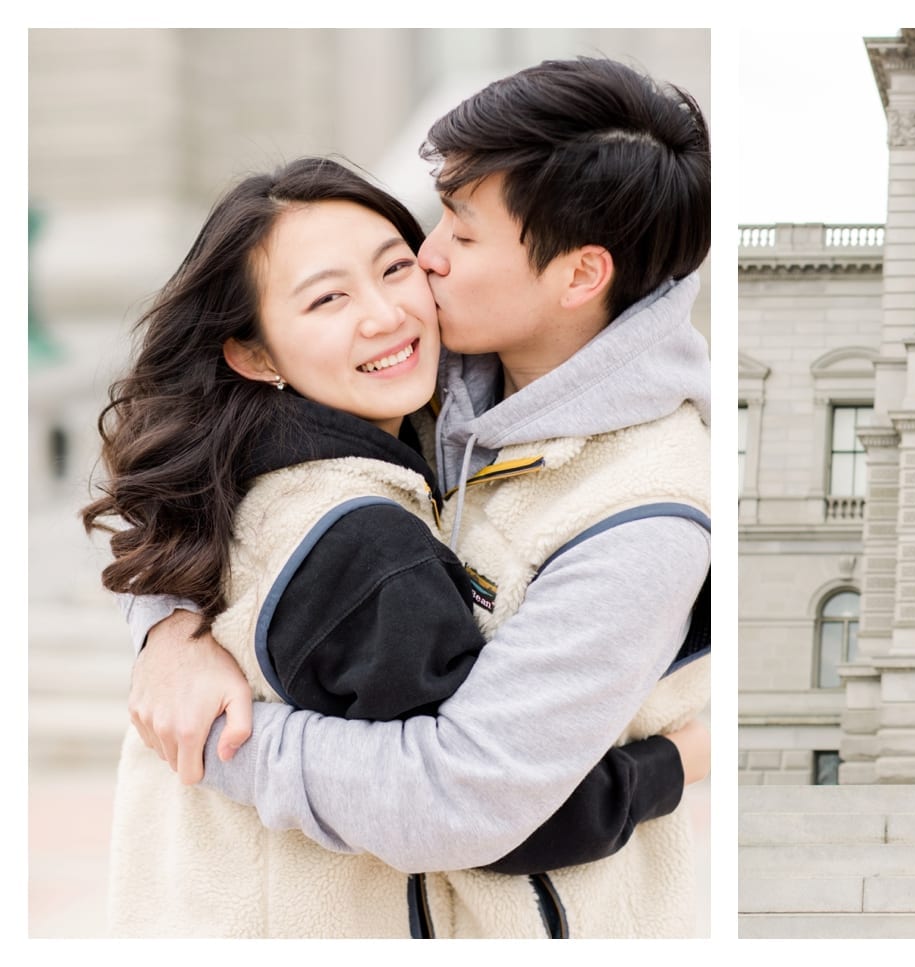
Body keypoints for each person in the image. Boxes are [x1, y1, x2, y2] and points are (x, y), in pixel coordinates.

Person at [118, 56, 712, 937]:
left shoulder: (642, 511)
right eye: (434, 223)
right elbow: (177, 472)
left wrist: (220, 740)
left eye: (460, 236)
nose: (424, 266)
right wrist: (170, 632)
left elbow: (460, 796)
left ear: (581, 276)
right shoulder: (420, 382)